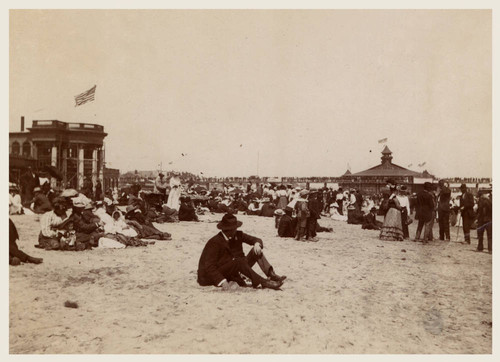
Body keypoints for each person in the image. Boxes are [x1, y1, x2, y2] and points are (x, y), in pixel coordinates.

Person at [197, 214, 285, 290]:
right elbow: (209, 267)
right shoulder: (215, 242)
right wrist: (223, 281)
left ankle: (271, 274)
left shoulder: (238, 235)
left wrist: (257, 244)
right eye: (235, 228)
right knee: (238, 261)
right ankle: (263, 282)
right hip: (219, 273)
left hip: (239, 267)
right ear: (229, 230)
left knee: (256, 251)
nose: (236, 229)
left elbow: (256, 239)